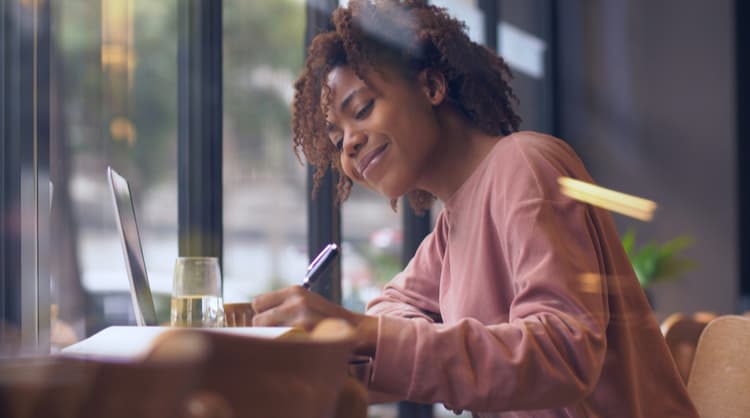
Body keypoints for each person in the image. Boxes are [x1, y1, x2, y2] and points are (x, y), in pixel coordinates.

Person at [251, 1, 699, 417]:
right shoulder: (450, 231)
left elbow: (564, 354)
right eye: (336, 140)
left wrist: (363, 334)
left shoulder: (524, 164)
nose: (349, 143)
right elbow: (389, 314)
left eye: (363, 108)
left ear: (430, 85)